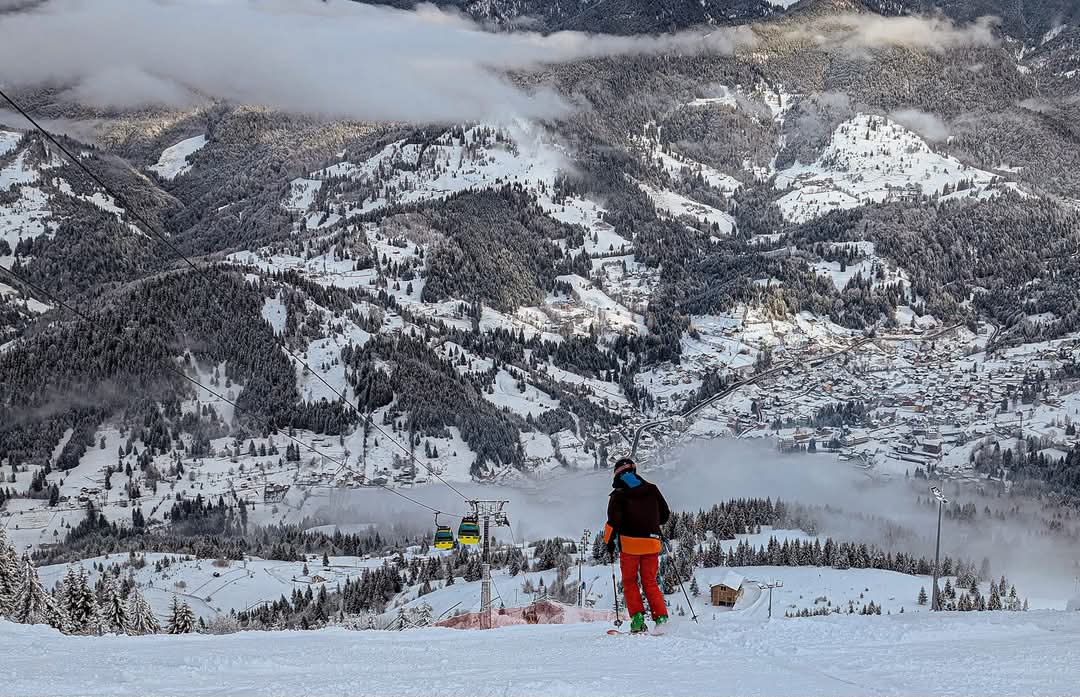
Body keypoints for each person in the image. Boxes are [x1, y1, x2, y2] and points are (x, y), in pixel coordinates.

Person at [603, 455, 670, 633]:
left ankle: (638, 621)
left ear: (617, 475)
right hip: (652, 542)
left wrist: (607, 542)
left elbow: (613, 521)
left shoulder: (618, 495)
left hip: (630, 545)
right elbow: (665, 516)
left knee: (630, 581)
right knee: (650, 581)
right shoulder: (652, 489)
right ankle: (661, 619)